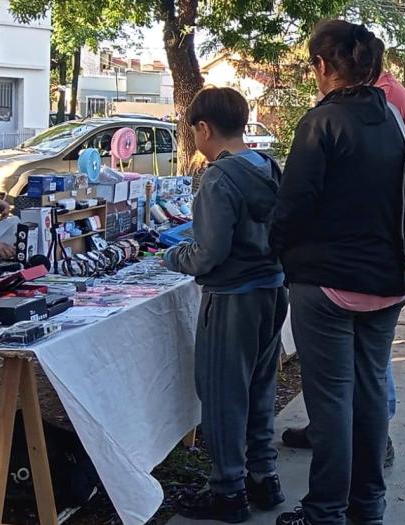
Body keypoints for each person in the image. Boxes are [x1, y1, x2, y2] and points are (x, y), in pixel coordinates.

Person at [270, 21, 405, 525]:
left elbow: (294, 204)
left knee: (330, 400)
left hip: (328, 282)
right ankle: (367, 504)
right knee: (370, 392)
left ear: (324, 66)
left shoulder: (321, 122)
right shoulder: (393, 116)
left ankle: (324, 510)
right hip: (387, 280)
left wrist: (275, 250)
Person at [163, 86, 288, 522]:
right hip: (272, 290)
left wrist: (173, 254)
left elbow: (208, 253)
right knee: (259, 388)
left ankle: (228, 491)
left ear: (203, 128)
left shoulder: (218, 176)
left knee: (222, 394)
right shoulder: (269, 166)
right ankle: (263, 477)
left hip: (232, 296)